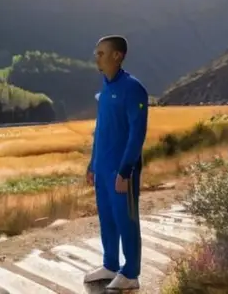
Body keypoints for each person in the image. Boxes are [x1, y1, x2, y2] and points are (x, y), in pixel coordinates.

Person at [84, 35, 149, 291]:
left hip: (123, 171)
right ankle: (110, 265)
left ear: (117, 56)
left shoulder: (133, 89)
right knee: (107, 219)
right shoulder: (106, 87)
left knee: (127, 220)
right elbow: (100, 131)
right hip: (102, 169)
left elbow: (137, 133)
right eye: (96, 51)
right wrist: (92, 165)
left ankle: (131, 273)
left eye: (101, 52)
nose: (96, 56)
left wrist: (125, 170)